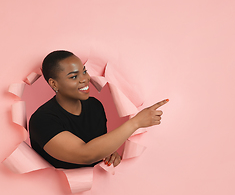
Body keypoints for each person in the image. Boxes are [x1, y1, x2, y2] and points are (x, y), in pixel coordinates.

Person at [29, 50, 168, 169]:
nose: (84, 79)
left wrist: (109, 155)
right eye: (74, 76)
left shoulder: (94, 106)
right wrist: (135, 123)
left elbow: (99, 148)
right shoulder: (42, 120)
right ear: (54, 83)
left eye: (84, 71)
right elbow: (85, 155)